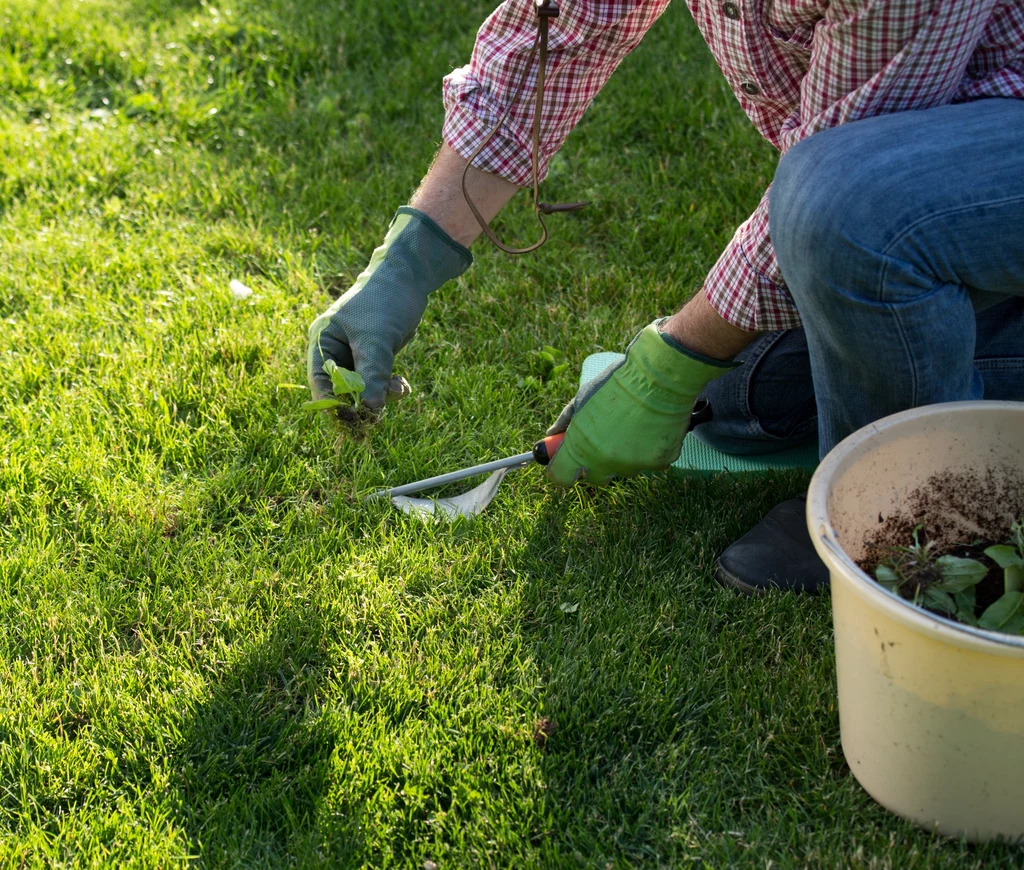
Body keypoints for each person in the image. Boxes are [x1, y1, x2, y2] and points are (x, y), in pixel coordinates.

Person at [307, 0, 1024, 593]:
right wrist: (407, 260)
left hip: (956, 166)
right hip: (947, 194)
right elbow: (559, 34)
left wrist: (671, 363)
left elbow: (848, 172)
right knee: (744, 399)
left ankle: (893, 518)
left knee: (845, 210)